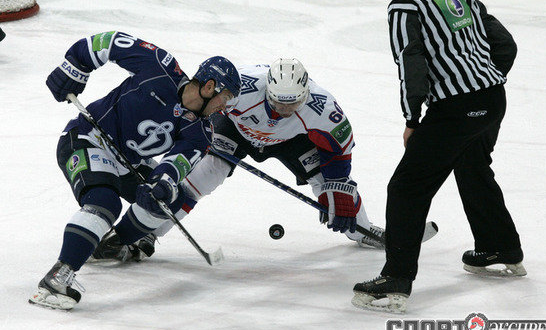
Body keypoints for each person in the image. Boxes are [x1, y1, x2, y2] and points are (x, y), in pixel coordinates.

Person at [352, 0, 526, 313]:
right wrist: (485, 83)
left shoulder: (404, 5)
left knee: (407, 187)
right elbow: (505, 44)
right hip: (493, 100)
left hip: (456, 110)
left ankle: (396, 278)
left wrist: (412, 119)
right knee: (473, 167)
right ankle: (501, 247)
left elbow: (410, 64)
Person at [29, 31, 240, 310]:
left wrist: (161, 184)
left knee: (169, 200)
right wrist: (75, 66)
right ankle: (57, 278)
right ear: (209, 87)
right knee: (104, 202)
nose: (224, 107)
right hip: (87, 138)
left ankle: (111, 244)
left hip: (127, 160)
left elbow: (175, 165)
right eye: (225, 98)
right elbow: (109, 42)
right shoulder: (160, 66)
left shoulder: (201, 132)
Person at [94, 58, 384, 260]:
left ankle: (363, 230)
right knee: (205, 175)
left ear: (305, 94)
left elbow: (339, 149)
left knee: (330, 186)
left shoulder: (323, 107)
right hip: (237, 129)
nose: (284, 111)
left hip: (291, 140)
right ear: (267, 89)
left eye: (293, 104)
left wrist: (338, 185)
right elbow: (202, 107)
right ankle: (147, 233)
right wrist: (199, 138)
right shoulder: (244, 85)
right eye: (277, 102)